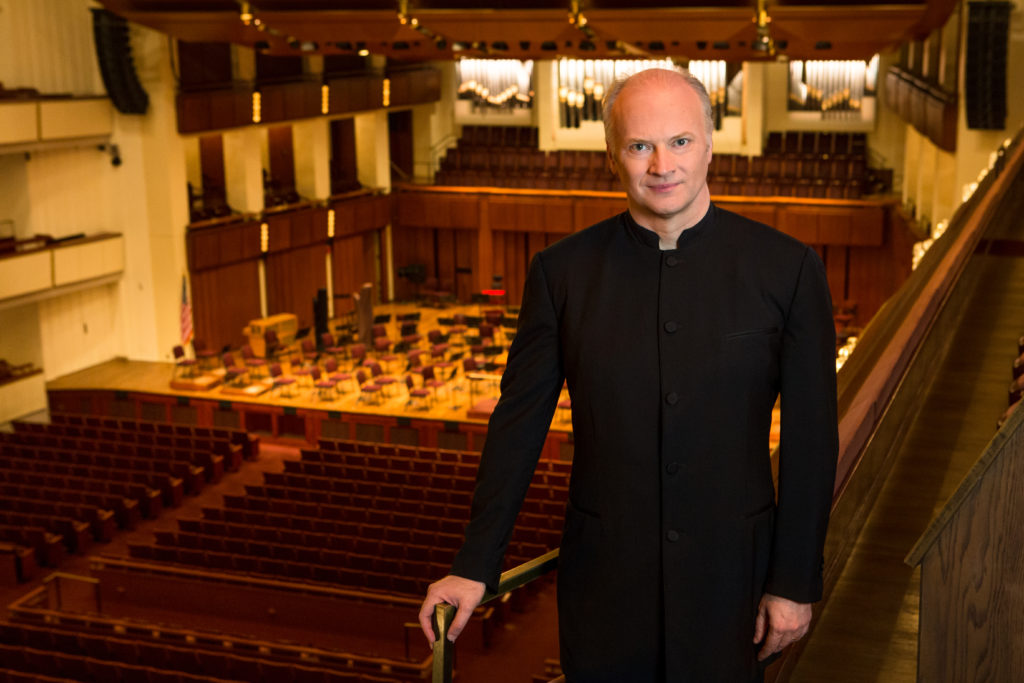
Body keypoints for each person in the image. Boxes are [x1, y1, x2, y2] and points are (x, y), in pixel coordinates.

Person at [419, 68, 839, 682]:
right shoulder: (560, 274)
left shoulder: (789, 269)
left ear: (709, 143)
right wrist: (475, 564)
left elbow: (811, 440)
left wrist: (794, 581)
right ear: (613, 157)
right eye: (640, 145)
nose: (661, 165)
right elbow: (517, 427)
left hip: (734, 579)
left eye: (679, 142)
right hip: (605, 582)